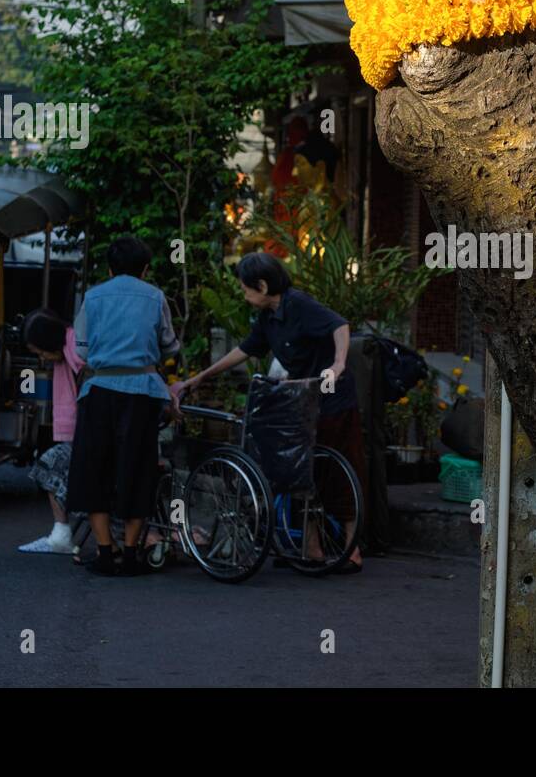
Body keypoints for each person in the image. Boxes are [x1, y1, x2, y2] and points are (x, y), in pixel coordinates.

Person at [171, 252, 366, 573]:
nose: (244, 295)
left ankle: (351, 549)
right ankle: (312, 547)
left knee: (336, 471)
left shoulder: (298, 304)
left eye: (246, 289)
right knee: (303, 472)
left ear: (262, 286)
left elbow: (339, 325)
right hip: (302, 399)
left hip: (332, 399)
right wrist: (197, 379)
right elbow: (244, 351)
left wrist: (339, 363)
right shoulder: (267, 319)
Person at [67, 237, 180, 577]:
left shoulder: (94, 297)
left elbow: (83, 350)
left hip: (99, 390)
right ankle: (131, 553)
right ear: (145, 269)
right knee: (138, 467)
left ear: (110, 268)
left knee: (94, 469)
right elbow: (169, 345)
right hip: (142, 394)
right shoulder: (155, 297)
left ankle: (104, 552)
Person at [18, 308, 84, 554]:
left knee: (50, 463)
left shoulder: (76, 351)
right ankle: (61, 534)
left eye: (40, 351)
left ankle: (61, 535)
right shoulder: (71, 348)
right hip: (87, 431)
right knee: (52, 463)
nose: (43, 358)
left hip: (90, 431)